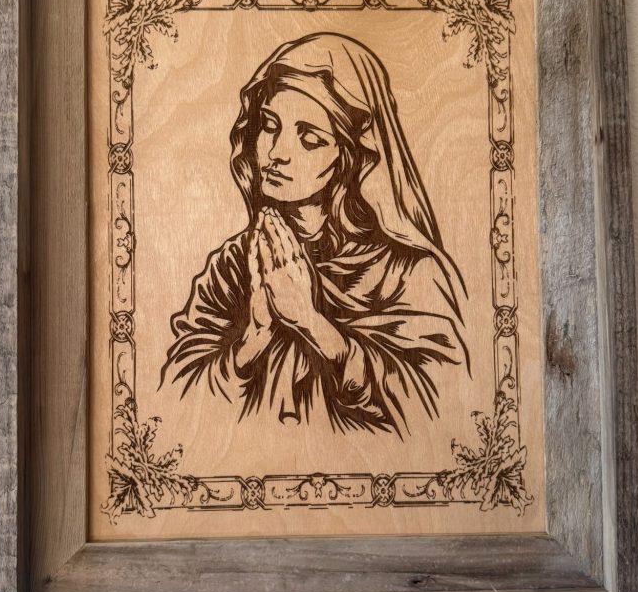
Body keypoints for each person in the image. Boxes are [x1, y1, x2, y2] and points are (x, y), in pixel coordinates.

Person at [160, 32, 470, 437]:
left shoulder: (408, 273)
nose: (277, 152)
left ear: (348, 157)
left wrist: (311, 322)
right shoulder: (233, 265)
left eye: (309, 139)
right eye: (270, 126)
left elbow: (443, 410)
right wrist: (253, 336)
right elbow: (175, 401)